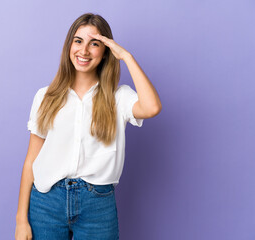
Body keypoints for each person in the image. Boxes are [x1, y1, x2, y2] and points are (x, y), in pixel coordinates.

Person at [15, 12, 162, 240]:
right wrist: (21, 220)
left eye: (94, 44)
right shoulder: (45, 96)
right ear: (69, 46)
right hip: (46, 204)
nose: (84, 51)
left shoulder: (119, 98)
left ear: (105, 52)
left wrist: (126, 57)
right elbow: (30, 161)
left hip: (97, 205)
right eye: (78, 41)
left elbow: (152, 107)